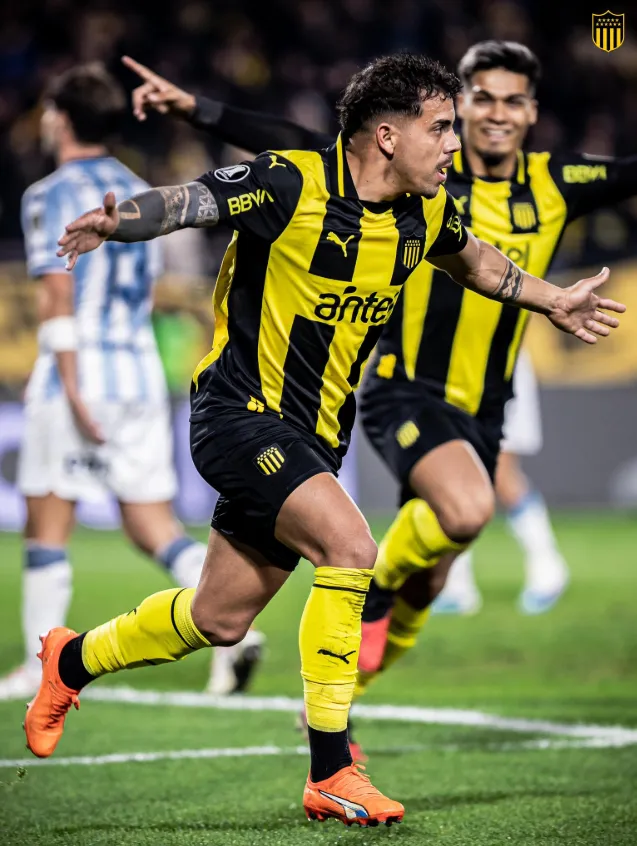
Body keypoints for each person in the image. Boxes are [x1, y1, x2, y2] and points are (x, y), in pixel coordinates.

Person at [25, 53, 622, 827]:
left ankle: (70, 659)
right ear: (387, 136)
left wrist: (551, 302)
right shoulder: (289, 182)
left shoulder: (424, 213)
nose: (455, 142)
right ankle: (332, 769)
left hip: (316, 434)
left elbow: (478, 264)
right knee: (350, 547)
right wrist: (120, 220)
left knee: (218, 618)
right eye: (440, 127)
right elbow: (188, 202)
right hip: (239, 415)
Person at [118, 43, 635, 712]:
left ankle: (82, 662)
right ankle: (334, 742)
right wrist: (197, 111)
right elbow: (289, 146)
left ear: (533, 112)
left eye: (513, 100)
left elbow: (498, 256)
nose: (492, 115)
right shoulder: (405, 173)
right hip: (402, 389)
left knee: (241, 614)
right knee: (422, 524)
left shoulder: (542, 184)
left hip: (482, 399)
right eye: (478, 100)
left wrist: (556, 299)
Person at [0, 63, 262, 701]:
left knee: (46, 527)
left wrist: (70, 387)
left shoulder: (49, 194)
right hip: (140, 375)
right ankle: (238, 631)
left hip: (80, 373)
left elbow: (58, 297)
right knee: (153, 526)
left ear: (61, 118)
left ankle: (39, 665)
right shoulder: (141, 189)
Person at [433, 349, 568, 615]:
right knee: (449, 474)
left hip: (495, 359)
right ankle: (456, 583)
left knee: (500, 473)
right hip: (445, 364)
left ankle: (548, 567)